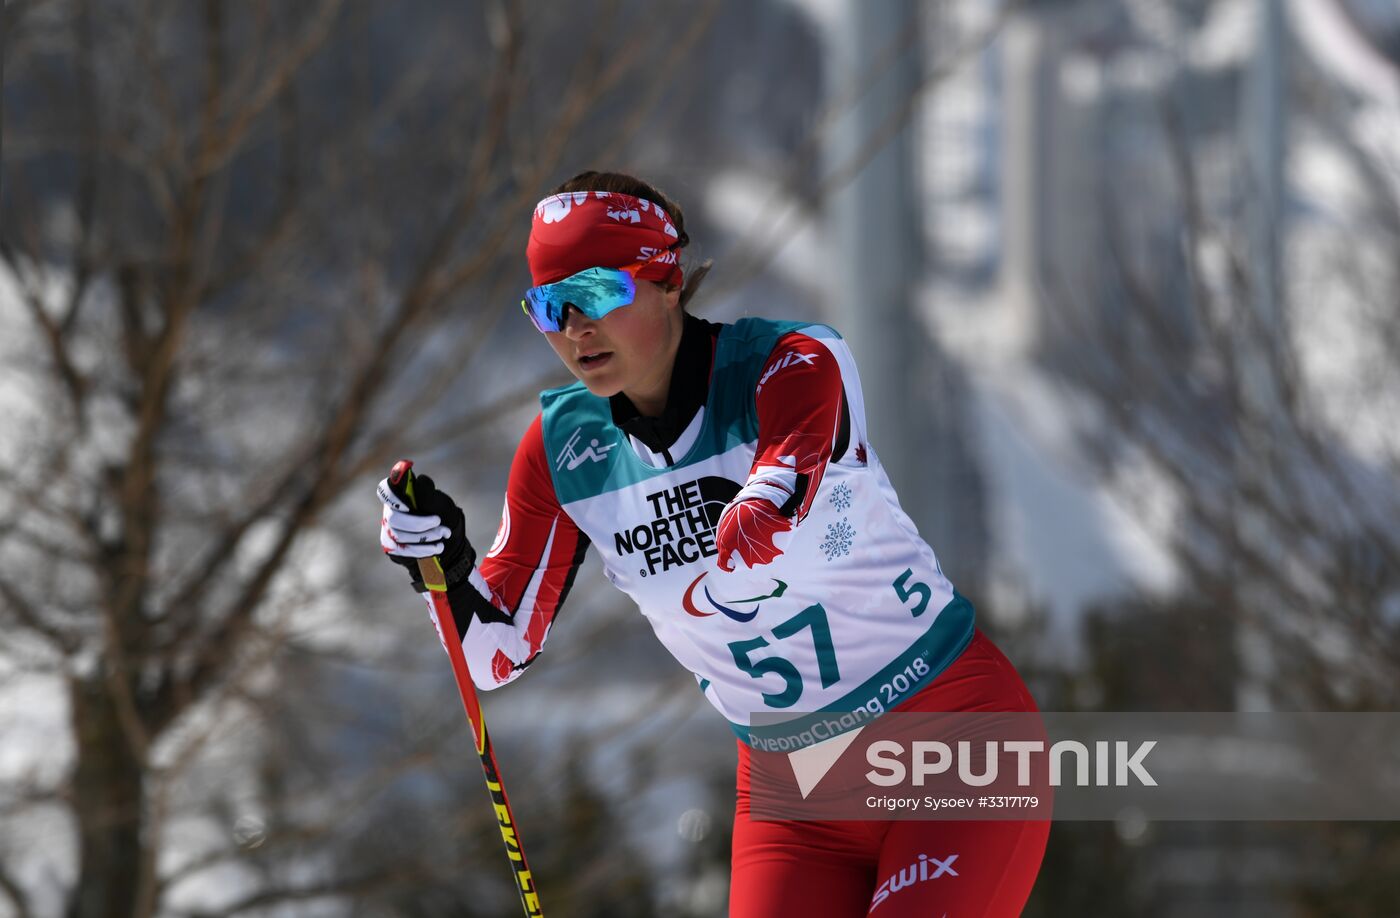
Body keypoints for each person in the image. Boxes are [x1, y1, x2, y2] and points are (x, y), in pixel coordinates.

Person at [377, 171, 1049, 916]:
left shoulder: (787, 363)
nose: (574, 327)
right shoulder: (561, 450)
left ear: (666, 280)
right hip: (795, 803)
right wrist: (442, 567)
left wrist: (753, 508)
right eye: (548, 306)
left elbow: (789, 466)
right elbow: (492, 655)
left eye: (598, 293)